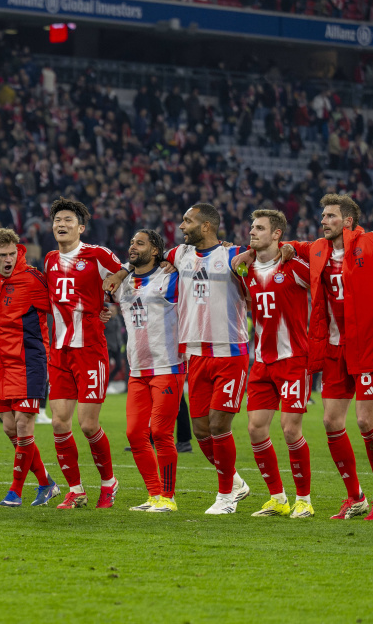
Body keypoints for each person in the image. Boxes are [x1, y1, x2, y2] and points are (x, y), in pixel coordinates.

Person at [259, 194, 373, 521]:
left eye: (330, 216)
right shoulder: (317, 248)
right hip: (332, 350)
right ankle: (355, 496)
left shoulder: (372, 243)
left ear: (347, 221)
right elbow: (288, 245)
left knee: (365, 421)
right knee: (331, 422)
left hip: (367, 346)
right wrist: (283, 246)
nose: (323, 221)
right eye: (322, 215)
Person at [106, 203, 251, 514]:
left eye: (188, 221)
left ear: (207, 226)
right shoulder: (178, 256)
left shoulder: (233, 254)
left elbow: (259, 257)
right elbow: (141, 262)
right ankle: (232, 481)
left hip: (226, 352)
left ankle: (225, 496)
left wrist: (268, 253)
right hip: (194, 354)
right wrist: (120, 273)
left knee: (215, 426)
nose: (181, 226)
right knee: (199, 431)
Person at [43, 199, 121, 509]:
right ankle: (76, 490)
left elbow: (125, 274)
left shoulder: (97, 255)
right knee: (60, 423)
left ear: (81, 227)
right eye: (57, 220)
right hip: (59, 351)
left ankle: (108, 483)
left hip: (89, 350)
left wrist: (110, 305)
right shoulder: (49, 260)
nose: (61, 224)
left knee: (88, 425)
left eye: (67, 220)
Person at [240, 210, 315, 519]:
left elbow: (322, 293)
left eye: (260, 228)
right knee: (256, 429)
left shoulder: (295, 266)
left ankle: (304, 500)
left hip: (294, 359)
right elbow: (248, 304)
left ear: (276, 234)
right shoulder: (245, 269)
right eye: (252, 226)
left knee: (290, 429)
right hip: (262, 361)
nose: (252, 232)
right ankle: (277, 498)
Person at [0, 228, 58, 508]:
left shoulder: (33, 279)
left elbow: (63, 302)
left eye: (13, 253)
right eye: (3, 255)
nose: (9, 259)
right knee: (10, 428)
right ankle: (47, 482)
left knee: (24, 426)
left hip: (29, 362)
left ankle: (15, 491)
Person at [107, 229, 182, 513]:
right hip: (137, 369)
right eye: (131, 242)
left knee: (160, 433)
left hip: (168, 365)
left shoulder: (170, 277)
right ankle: (154, 495)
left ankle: (168, 497)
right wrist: (123, 273)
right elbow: (108, 297)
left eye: (139, 243)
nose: (132, 246)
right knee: (135, 434)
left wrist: (173, 262)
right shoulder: (123, 284)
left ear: (154, 251)